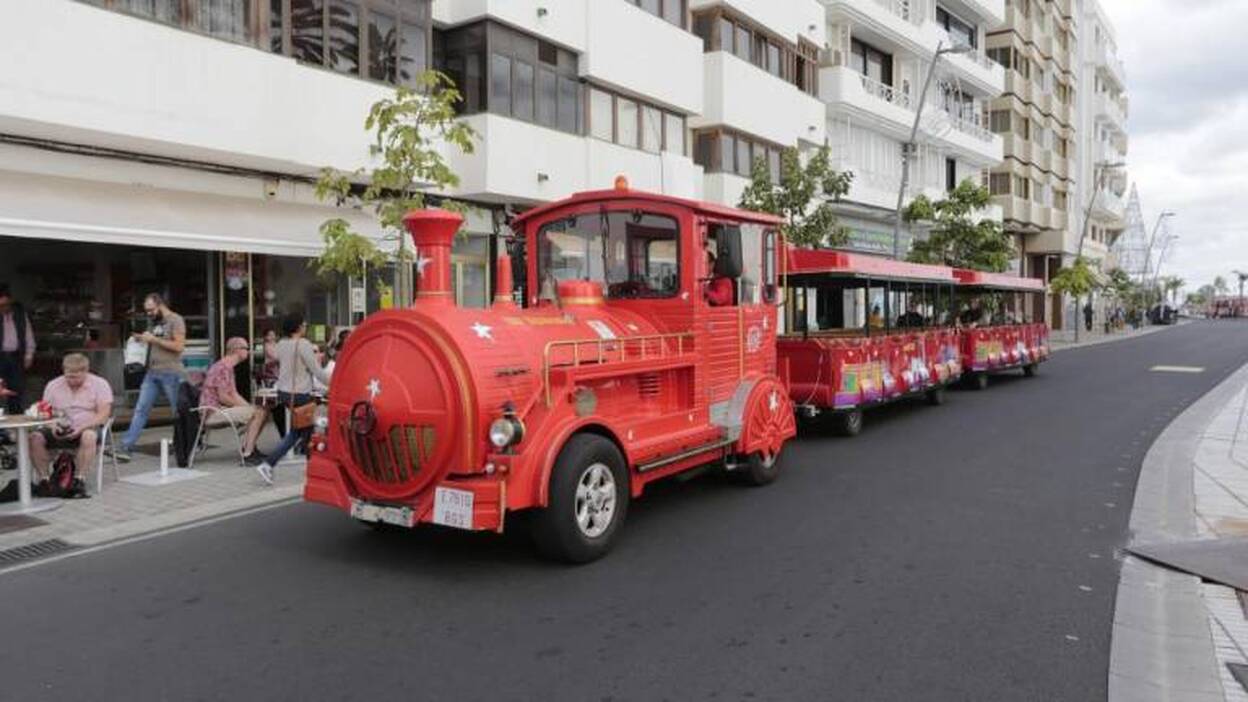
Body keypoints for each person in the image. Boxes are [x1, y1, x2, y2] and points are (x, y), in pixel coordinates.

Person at [257, 312, 329, 485]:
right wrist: (334, 382)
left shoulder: (281, 344)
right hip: (300, 393)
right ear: (297, 327)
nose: (305, 327)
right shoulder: (303, 344)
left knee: (304, 431)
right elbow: (316, 370)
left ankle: (313, 468)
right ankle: (269, 464)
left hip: (284, 392)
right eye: (303, 325)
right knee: (301, 432)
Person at [114, 293, 186, 462]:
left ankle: (186, 443)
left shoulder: (176, 320)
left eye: (151, 310)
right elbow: (157, 342)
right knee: (140, 410)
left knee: (178, 412)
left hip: (171, 372)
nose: (149, 314)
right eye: (147, 311)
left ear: (160, 304)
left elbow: (179, 346)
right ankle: (126, 447)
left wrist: (153, 339)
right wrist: (143, 339)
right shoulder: (157, 322)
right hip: (152, 372)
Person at [30, 353, 112, 481]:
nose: (71, 381)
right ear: (64, 371)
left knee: (89, 436)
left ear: (86, 371)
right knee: (34, 437)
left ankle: (79, 479)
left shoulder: (100, 384)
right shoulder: (53, 385)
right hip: (58, 426)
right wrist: (52, 425)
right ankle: (44, 479)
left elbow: (103, 414)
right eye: (68, 377)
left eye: (76, 377)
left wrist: (82, 427)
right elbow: (45, 412)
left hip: (87, 427)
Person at [199, 337, 269, 465]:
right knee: (258, 412)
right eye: (246, 348)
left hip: (217, 409)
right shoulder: (223, 367)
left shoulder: (227, 366)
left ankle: (249, 446)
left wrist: (248, 407)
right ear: (236, 350)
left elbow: (233, 394)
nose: (249, 351)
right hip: (212, 412)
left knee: (261, 411)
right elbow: (223, 397)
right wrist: (249, 410)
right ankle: (248, 454)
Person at [0, 283, 36, 415]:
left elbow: (28, 334)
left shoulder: (20, 313)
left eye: (5, 305)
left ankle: (16, 420)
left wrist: (29, 354)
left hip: (16, 357)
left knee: (16, 391)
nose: (4, 308)